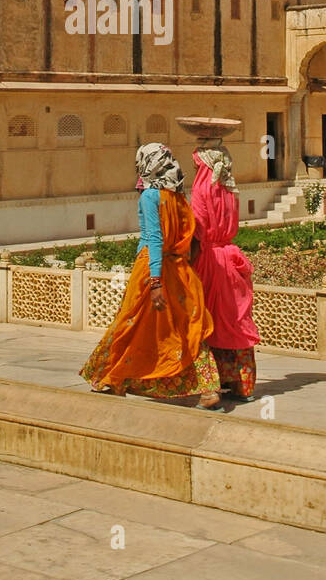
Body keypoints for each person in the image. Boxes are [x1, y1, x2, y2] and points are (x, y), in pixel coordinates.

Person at [80, 142, 223, 409]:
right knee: (188, 329)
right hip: (180, 271)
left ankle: (113, 377)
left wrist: (155, 281)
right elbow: (191, 237)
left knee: (130, 323)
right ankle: (209, 389)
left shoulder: (150, 197)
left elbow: (154, 239)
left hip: (151, 271)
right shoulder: (178, 196)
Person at [189, 145, 261, 403]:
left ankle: (211, 385)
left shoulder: (201, 189)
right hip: (231, 259)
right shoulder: (231, 188)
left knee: (207, 321)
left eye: (196, 164)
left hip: (210, 260)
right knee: (235, 319)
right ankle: (242, 384)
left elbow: (197, 231)